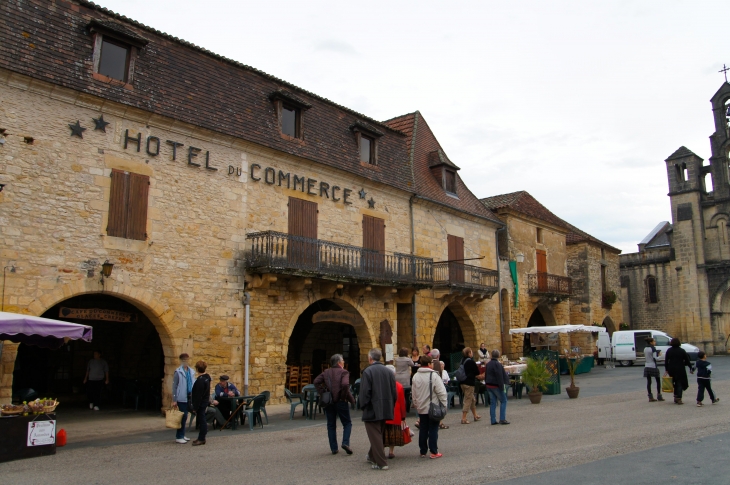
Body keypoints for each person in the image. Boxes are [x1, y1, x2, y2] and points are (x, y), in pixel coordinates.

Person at [359, 348, 397, 470]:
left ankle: (381, 462)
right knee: (378, 434)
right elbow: (394, 391)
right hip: (386, 406)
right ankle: (372, 456)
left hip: (372, 408)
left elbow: (365, 392)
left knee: (375, 435)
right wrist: (391, 404)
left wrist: (363, 405)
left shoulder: (368, 372)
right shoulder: (388, 372)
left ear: (370, 358)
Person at [314, 354, 355, 455]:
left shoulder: (326, 372)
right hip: (341, 401)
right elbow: (345, 385)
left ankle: (334, 448)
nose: (344, 362)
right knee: (347, 423)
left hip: (329, 401)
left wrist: (323, 392)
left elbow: (316, 381)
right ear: (339, 362)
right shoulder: (344, 372)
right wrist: (347, 398)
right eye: (342, 361)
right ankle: (345, 442)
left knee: (331, 424)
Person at [411, 355, 447, 459]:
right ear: (429, 364)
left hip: (421, 407)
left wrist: (416, 404)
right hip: (433, 407)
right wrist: (444, 405)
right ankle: (434, 451)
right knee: (433, 429)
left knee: (423, 429)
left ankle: (423, 450)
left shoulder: (415, 376)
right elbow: (441, 392)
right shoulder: (434, 376)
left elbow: (414, 393)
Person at [384, 365, 407, 459]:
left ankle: (381, 450)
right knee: (393, 433)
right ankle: (391, 451)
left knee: (383, 433)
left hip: (384, 413)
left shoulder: (381, 385)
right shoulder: (399, 386)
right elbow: (402, 402)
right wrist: (403, 416)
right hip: (395, 413)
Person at [171, 353, 194, 443]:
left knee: (185, 416)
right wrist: (174, 399)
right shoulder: (178, 372)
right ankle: (179, 436)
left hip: (189, 396)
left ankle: (182, 434)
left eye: (187, 360)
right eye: (184, 360)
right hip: (181, 397)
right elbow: (174, 386)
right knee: (182, 416)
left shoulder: (191, 371)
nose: (186, 362)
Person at [664, 338, 694, 405]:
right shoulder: (682, 351)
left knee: (674, 382)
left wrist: (666, 369)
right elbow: (687, 360)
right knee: (679, 383)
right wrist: (690, 368)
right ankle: (679, 398)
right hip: (680, 368)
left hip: (671, 368)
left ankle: (675, 396)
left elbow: (666, 361)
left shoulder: (669, 350)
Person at [485, 349, 510, 425]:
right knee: (503, 400)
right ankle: (502, 419)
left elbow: (486, 374)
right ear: (498, 356)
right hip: (496, 385)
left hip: (489, 384)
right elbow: (499, 376)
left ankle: (493, 420)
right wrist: (502, 386)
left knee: (493, 403)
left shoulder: (488, 364)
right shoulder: (498, 364)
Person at [190, 360, 211, 446]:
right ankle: (201, 437)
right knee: (201, 419)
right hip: (204, 401)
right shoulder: (207, 378)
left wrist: (195, 407)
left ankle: (202, 438)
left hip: (201, 403)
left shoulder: (201, 380)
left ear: (197, 369)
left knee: (202, 420)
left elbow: (198, 395)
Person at [459, 347, 482, 424]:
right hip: (469, 383)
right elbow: (477, 372)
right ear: (469, 353)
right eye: (471, 352)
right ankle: (464, 418)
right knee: (468, 400)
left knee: (472, 399)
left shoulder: (462, 361)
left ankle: (475, 415)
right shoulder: (471, 362)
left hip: (462, 382)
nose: (472, 353)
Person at [394, 348, 416, 413]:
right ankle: (407, 409)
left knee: (398, 394)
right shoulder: (407, 359)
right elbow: (412, 364)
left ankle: (399, 408)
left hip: (397, 377)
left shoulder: (397, 359)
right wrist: (409, 357)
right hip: (405, 377)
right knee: (406, 394)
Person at [643, 337, 664, 402]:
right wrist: (660, 355)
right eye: (654, 341)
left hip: (647, 365)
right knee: (658, 381)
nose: (655, 342)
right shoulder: (653, 348)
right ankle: (659, 395)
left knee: (649, 382)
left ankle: (650, 396)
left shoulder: (645, 348)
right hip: (653, 366)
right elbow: (655, 358)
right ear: (651, 342)